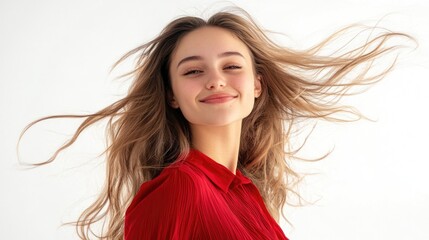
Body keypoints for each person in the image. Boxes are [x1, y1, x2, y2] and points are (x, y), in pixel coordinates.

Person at [20, 8, 411, 240]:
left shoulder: (243, 190)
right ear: (172, 94)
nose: (216, 79)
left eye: (231, 66)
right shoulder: (178, 190)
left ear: (257, 84)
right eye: (193, 70)